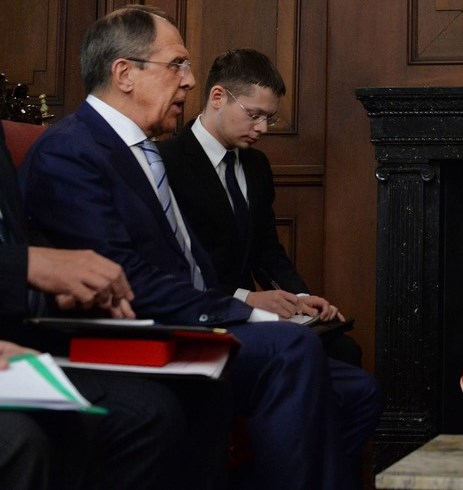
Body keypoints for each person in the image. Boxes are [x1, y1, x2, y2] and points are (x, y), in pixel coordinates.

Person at [18, 6, 380, 488]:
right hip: (134, 336)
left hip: (189, 321)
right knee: (291, 347)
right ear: (124, 73)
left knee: (355, 390)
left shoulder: (140, 149)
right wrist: (247, 312)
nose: (189, 80)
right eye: (177, 65)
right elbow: (120, 275)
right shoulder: (72, 149)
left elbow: (199, 262)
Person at [1, 112, 191, 489]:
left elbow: (14, 231)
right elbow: (23, 257)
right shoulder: (67, 147)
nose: (188, 83)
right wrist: (29, 265)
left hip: (23, 339)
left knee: (150, 412)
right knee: (19, 441)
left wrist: (62, 279)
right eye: (176, 74)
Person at [159, 48, 361, 366]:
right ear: (217, 97)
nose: (263, 128)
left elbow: (267, 249)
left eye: (269, 117)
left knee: (344, 350)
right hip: (201, 318)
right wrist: (247, 298)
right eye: (254, 115)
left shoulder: (257, 165)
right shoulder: (165, 163)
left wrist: (300, 299)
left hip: (253, 315)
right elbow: (170, 266)